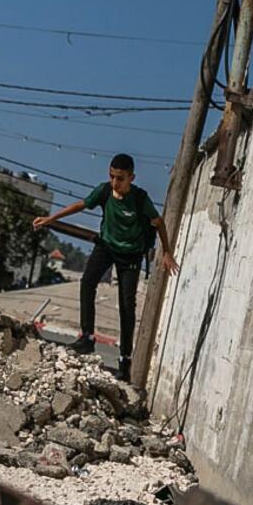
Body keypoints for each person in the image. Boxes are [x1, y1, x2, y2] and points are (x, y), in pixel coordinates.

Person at [32, 153, 178, 377]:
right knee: (87, 281)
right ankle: (87, 337)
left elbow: (158, 223)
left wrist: (166, 251)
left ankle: (124, 360)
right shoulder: (104, 191)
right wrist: (52, 219)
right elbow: (81, 204)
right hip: (106, 246)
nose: (115, 183)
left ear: (131, 177)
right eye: (111, 177)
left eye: (120, 178)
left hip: (130, 255)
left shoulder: (140, 199)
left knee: (127, 305)